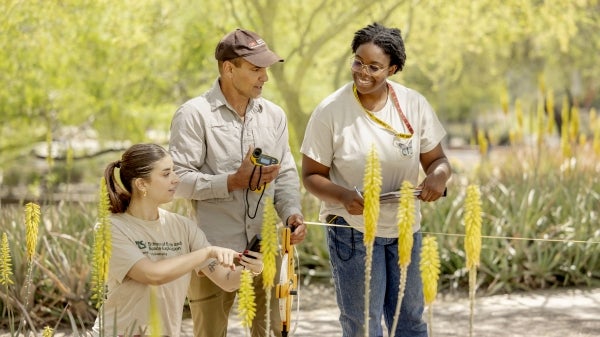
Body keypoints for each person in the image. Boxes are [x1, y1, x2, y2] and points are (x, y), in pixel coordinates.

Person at [300, 23, 452, 337]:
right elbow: (311, 175)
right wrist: (342, 196)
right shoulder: (330, 111)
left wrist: (438, 176)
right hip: (352, 230)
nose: (362, 72)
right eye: (358, 61)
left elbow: (437, 161)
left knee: (410, 320)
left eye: (374, 67)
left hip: (405, 226)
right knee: (363, 325)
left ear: (393, 69)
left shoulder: (414, 104)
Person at [168, 28, 307, 337]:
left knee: (272, 332)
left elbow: (284, 174)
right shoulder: (194, 115)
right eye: (256, 69)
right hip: (211, 254)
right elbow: (176, 181)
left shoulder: (274, 116)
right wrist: (232, 181)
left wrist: (292, 213)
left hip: (265, 249)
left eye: (266, 69)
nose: (265, 78)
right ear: (229, 68)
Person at [91, 143, 264, 337]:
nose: (176, 179)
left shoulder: (183, 227)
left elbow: (227, 280)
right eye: (166, 174)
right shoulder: (111, 228)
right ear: (141, 184)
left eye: (174, 171)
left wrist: (251, 269)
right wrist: (206, 252)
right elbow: (152, 275)